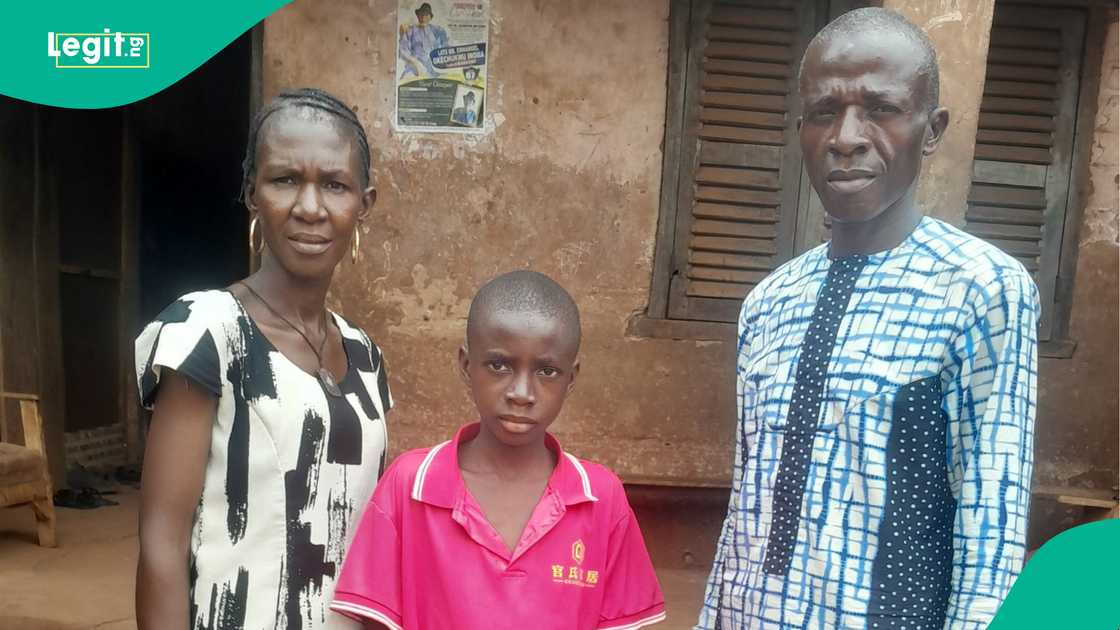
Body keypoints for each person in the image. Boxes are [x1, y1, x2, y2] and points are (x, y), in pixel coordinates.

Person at [696, 8, 1038, 630]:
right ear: (802, 128)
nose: (847, 136)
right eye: (825, 111)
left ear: (930, 130)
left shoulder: (980, 288)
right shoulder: (768, 303)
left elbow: (992, 523)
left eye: (879, 109)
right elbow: (746, 509)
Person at [134, 88, 394, 630]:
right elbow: (163, 546)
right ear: (252, 193)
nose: (310, 207)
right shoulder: (206, 332)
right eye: (284, 180)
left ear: (364, 204)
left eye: (334, 184)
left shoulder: (366, 357)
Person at [330, 271, 666, 630]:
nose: (521, 392)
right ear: (465, 365)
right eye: (499, 365)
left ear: (572, 377)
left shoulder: (599, 498)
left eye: (547, 370)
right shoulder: (411, 486)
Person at [398, 2, 449, 79]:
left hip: (434, 69)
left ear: (430, 17)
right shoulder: (410, 31)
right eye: (421, 14)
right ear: (418, 16)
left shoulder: (437, 30)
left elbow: (446, 47)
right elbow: (403, 50)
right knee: (405, 79)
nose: (423, 17)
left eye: (426, 15)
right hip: (414, 69)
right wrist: (415, 62)